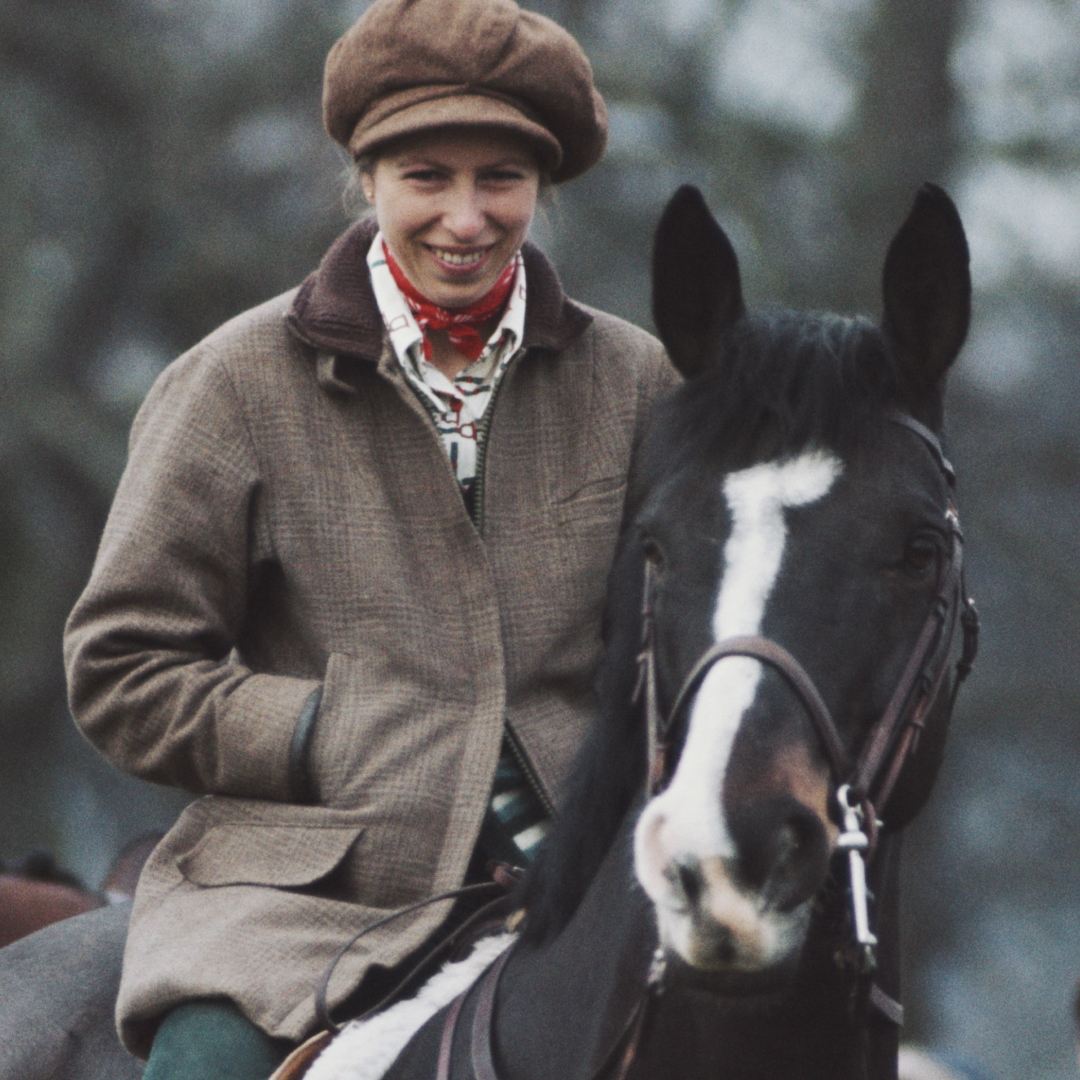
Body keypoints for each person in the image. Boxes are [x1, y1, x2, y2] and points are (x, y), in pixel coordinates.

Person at [62, 0, 677, 1076]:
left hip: (589, 889)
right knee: (203, 1064)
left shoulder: (639, 382)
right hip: (301, 906)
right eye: (427, 176)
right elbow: (121, 669)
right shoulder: (230, 384)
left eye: (502, 179)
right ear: (367, 180)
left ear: (542, 187)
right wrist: (314, 730)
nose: (467, 216)